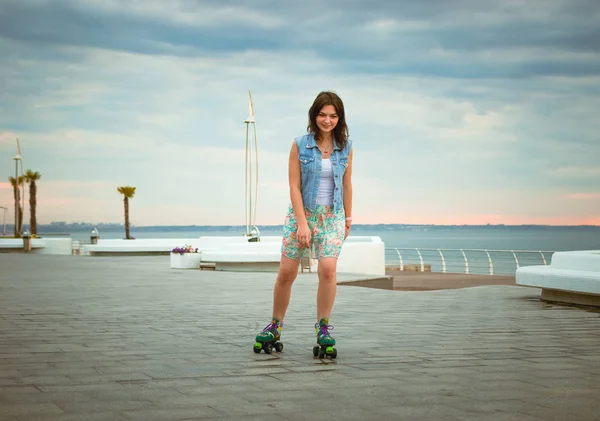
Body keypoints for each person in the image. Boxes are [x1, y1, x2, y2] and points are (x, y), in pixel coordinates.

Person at [253, 91, 353, 357]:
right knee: (287, 272)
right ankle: (275, 325)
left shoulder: (346, 147)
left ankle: (323, 328)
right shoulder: (299, 144)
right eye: (322, 114)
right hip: (302, 214)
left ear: (339, 118)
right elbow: (294, 186)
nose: (327, 120)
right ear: (314, 115)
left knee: (328, 270)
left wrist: (348, 218)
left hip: (332, 216)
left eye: (333, 115)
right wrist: (302, 224)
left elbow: (347, 183)